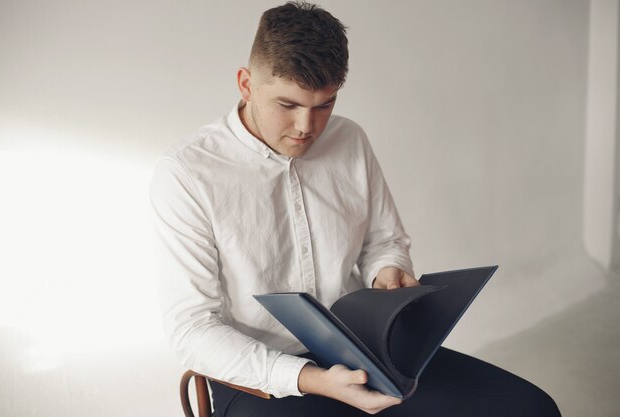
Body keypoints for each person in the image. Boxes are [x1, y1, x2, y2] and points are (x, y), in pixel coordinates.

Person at [149, 2, 561, 416]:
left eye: (324, 105)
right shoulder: (186, 173)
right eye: (288, 105)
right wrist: (311, 379)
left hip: (365, 355)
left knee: (531, 408)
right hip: (261, 378)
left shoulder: (350, 140)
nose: (306, 127)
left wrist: (387, 269)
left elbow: (384, 240)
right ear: (245, 84)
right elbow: (191, 329)